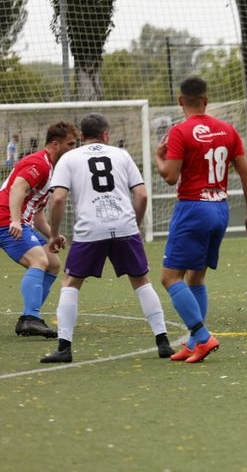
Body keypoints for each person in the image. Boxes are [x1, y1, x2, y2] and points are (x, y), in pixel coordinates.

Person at [40, 113, 175, 363]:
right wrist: (133, 225)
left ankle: (64, 347)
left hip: (90, 229)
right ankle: (163, 341)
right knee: (141, 281)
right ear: (106, 134)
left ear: (81, 136)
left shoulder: (69, 158)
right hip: (124, 226)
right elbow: (142, 195)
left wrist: (55, 233)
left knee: (71, 283)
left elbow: (57, 198)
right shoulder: (121, 155)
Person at [155, 76, 247, 363]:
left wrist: (158, 158)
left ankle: (202, 336)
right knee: (196, 276)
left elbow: (170, 176)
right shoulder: (227, 130)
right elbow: (246, 174)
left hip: (193, 209)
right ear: (206, 99)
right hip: (220, 210)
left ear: (180, 101)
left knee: (169, 277)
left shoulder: (180, 132)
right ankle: (192, 343)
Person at [0, 121, 78, 338]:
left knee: (53, 263)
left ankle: (29, 316)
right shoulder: (39, 164)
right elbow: (17, 188)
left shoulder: (53, 169)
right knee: (39, 260)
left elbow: (37, 212)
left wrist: (52, 235)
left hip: (18, 220)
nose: (74, 148)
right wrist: (15, 220)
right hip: (5, 219)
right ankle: (30, 318)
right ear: (55, 144)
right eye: (70, 144)